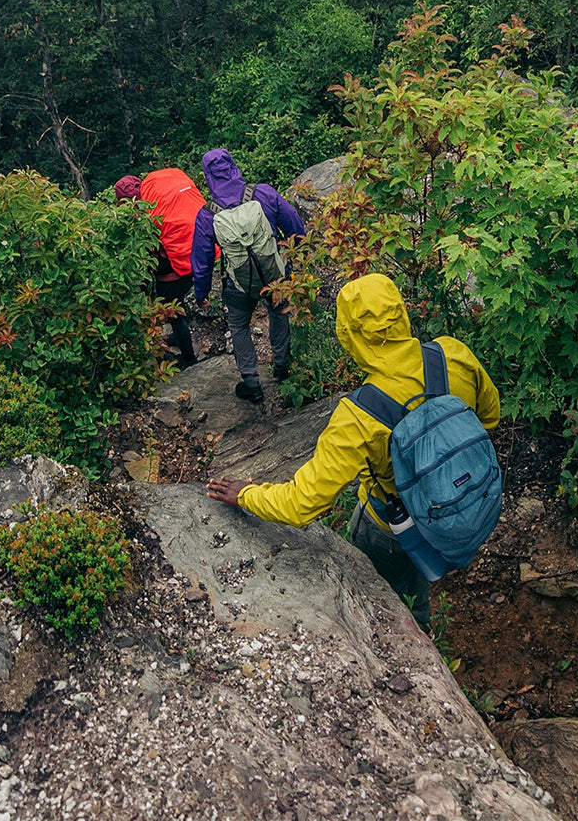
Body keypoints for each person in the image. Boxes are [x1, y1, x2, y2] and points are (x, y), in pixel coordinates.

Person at [206, 273, 498, 627]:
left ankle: (398, 641)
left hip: (390, 527)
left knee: (374, 601)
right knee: (419, 584)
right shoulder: (452, 354)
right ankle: (424, 625)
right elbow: (488, 418)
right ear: (401, 314)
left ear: (349, 335)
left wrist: (248, 495)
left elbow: (302, 504)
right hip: (457, 499)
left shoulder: (357, 417)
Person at [190, 148, 305, 403]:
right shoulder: (262, 193)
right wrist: (296, 263)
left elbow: (202, 259)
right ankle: (282, 366)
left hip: (239, 285)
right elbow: (295, 226)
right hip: (274, 275)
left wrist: (201, 293)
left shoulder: (207, 214)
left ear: (207, 177)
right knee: (278, 311)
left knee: (239, 325)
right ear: (234, 167)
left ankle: (252, 383)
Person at [115, 169, 201, 368]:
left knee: (173, 310)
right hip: (195, 256)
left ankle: (189, 359)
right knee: (177, 303)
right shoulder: (159, 198)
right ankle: (178, 337)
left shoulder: (143, 217)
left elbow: (149, 253)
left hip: (175, 269)